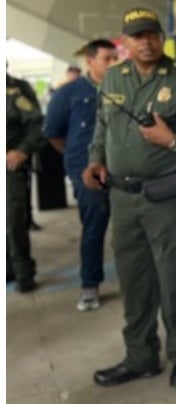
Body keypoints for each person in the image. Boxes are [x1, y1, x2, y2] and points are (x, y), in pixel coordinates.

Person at [82, 8, 176, 389]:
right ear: (125, 42)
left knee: (175, 280)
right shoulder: (113, 77)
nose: (146, 42)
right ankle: (140, 356)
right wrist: (95, 160)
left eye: (152, 34)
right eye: (137, 36)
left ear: (162, 36)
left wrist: (172, 140)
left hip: (167, 198)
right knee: (134, 281)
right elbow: (102, 128)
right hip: (122, 197)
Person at [44, 39, 119, 311]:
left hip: (121, 169)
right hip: (86, 172)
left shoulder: (123, 87)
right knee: (94, 228)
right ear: (90, 61)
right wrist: (78, 163)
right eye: (106, 59)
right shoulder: (69, 93)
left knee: (127, 230)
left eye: (115, 58)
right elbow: (53, 133)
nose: (113, 64)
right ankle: (90, 285)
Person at [7, 72, 46, 292]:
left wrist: (22, 151)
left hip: (9, 168)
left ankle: (23, 271)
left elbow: (37, 125)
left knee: (14, 221)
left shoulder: (16, 91)